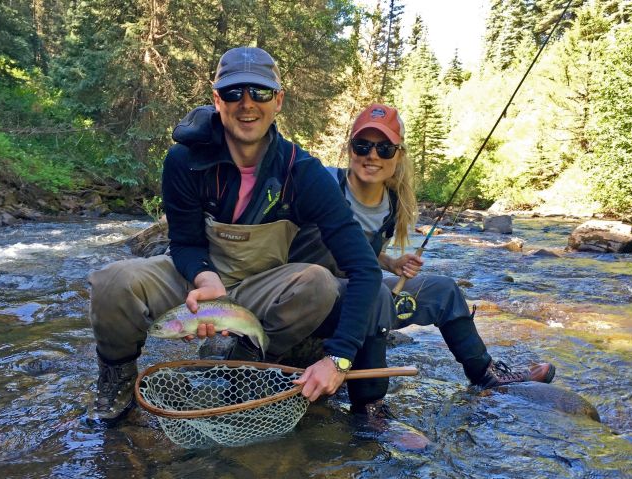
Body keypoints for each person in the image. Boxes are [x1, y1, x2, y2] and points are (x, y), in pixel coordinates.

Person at [87, 47, 383, 421]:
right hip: (199, 283)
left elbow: (365, 269)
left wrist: (338, 358)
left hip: (265, 285)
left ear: (278, 101)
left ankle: (246, 363)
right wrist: (205, 277)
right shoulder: (184, 161)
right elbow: (185, 242)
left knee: (319, 283)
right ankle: (117, 375)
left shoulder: (302, 172)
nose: (246, 105)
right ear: (216, 100)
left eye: (259, 93)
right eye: (233, 93)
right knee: (113, 282)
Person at [288, 103, 556, 395]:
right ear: (350, 149)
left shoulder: (391, 205)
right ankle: (369, 409)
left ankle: (485, 373)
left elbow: (355, 253)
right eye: (362, 145)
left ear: (399, 154)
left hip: (356, 299)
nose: (372, 155)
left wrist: (390, 263)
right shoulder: (323, 182)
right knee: (376, 293)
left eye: (384, 148)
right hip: (311, 300)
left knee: (444, 292)